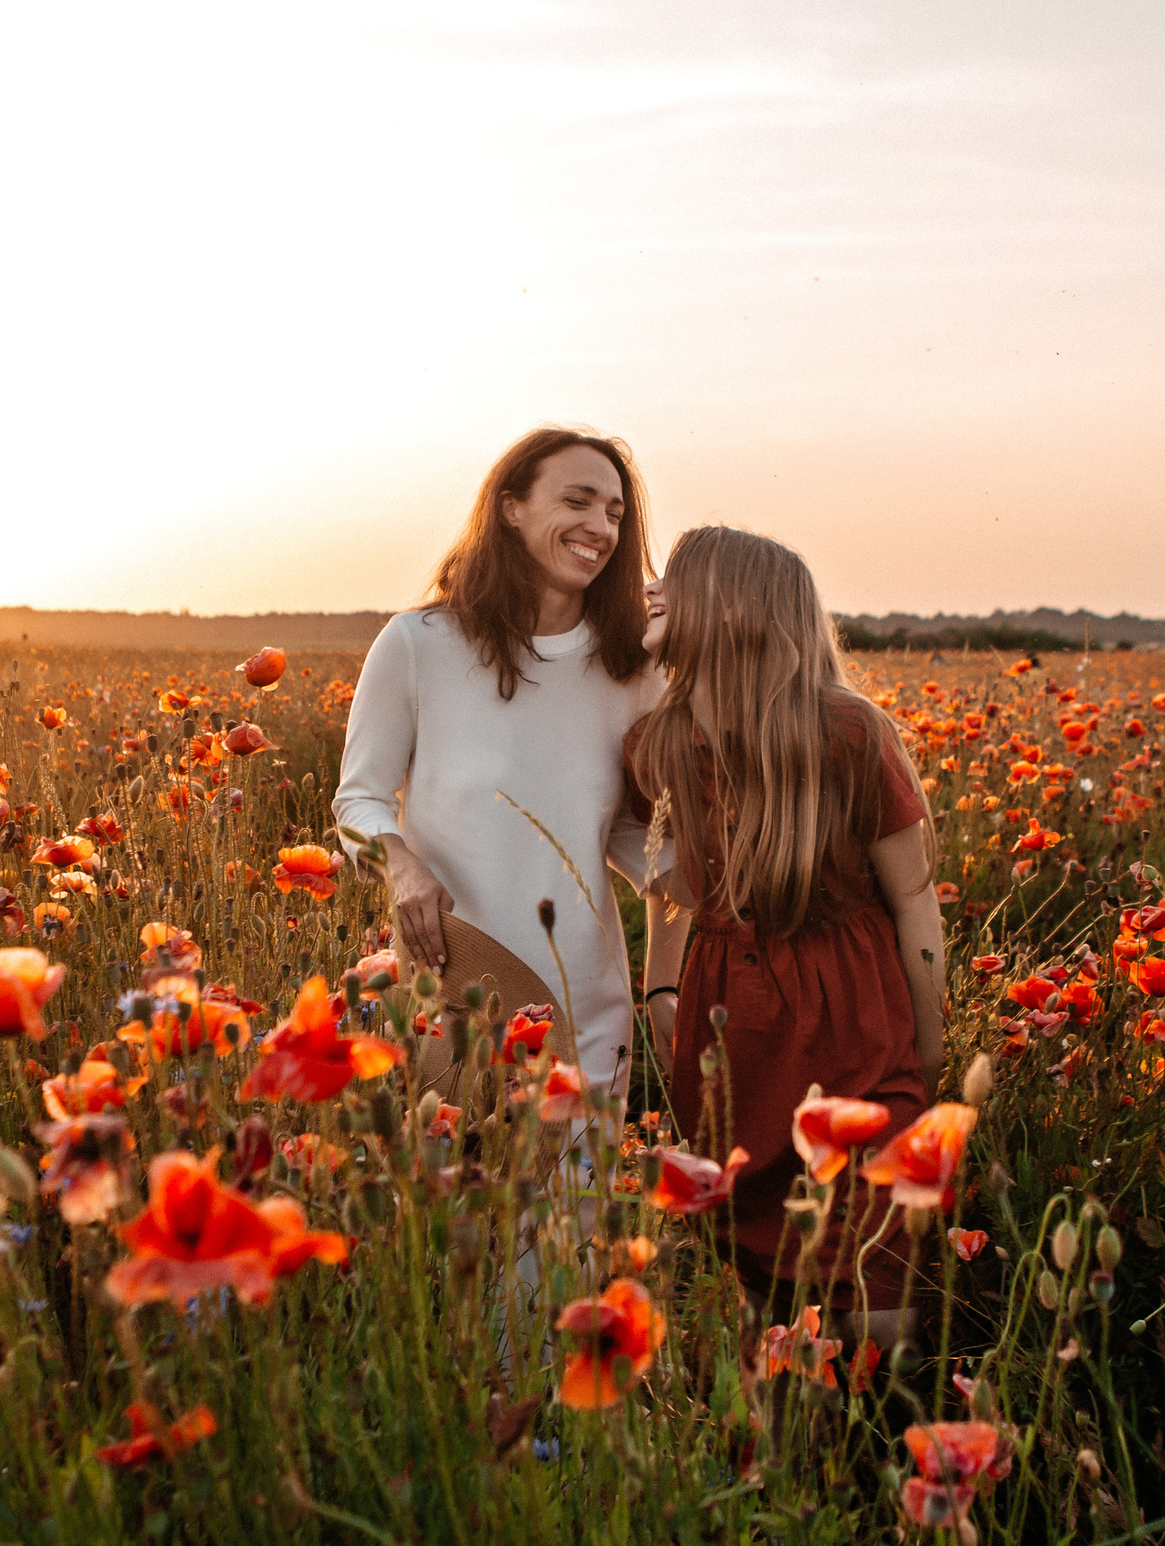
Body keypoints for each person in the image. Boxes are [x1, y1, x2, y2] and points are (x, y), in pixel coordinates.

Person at [627, 527, 946, 1343]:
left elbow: (915, 901)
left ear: (732, 608)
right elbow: (669, 876)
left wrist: (928, 1056)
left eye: (675, 581)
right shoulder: (661, 740)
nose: (653, 592)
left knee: (879, 1302)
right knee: (749, 1297)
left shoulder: (850, 733)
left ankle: (875, 1420)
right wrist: (660, 986)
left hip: (853, 1028)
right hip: (731, 1033)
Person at [333, 427, 682, 1110]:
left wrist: (663, 985)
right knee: (457, 1178)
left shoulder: (632, 670)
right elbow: (359, 799)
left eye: (615, 513)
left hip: (587, 1011)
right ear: (511, 507)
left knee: (577, 1184)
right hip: (451, 991)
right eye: (577, 501)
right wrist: (401, 866)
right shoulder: (418, 644)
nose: (601, 527)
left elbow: (654, 847)